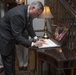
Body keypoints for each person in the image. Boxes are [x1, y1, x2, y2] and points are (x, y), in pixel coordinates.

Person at [0, 1, 44, 75]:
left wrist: (35, 38)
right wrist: (33, 44)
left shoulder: (27, 12)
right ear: (33, 8)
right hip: (5, 39)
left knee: (12, 62)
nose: (37, 16)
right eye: (37, 14)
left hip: (11, 39)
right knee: (8, 65)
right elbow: (17, 36)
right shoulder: (18, 14)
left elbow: (29, 26)